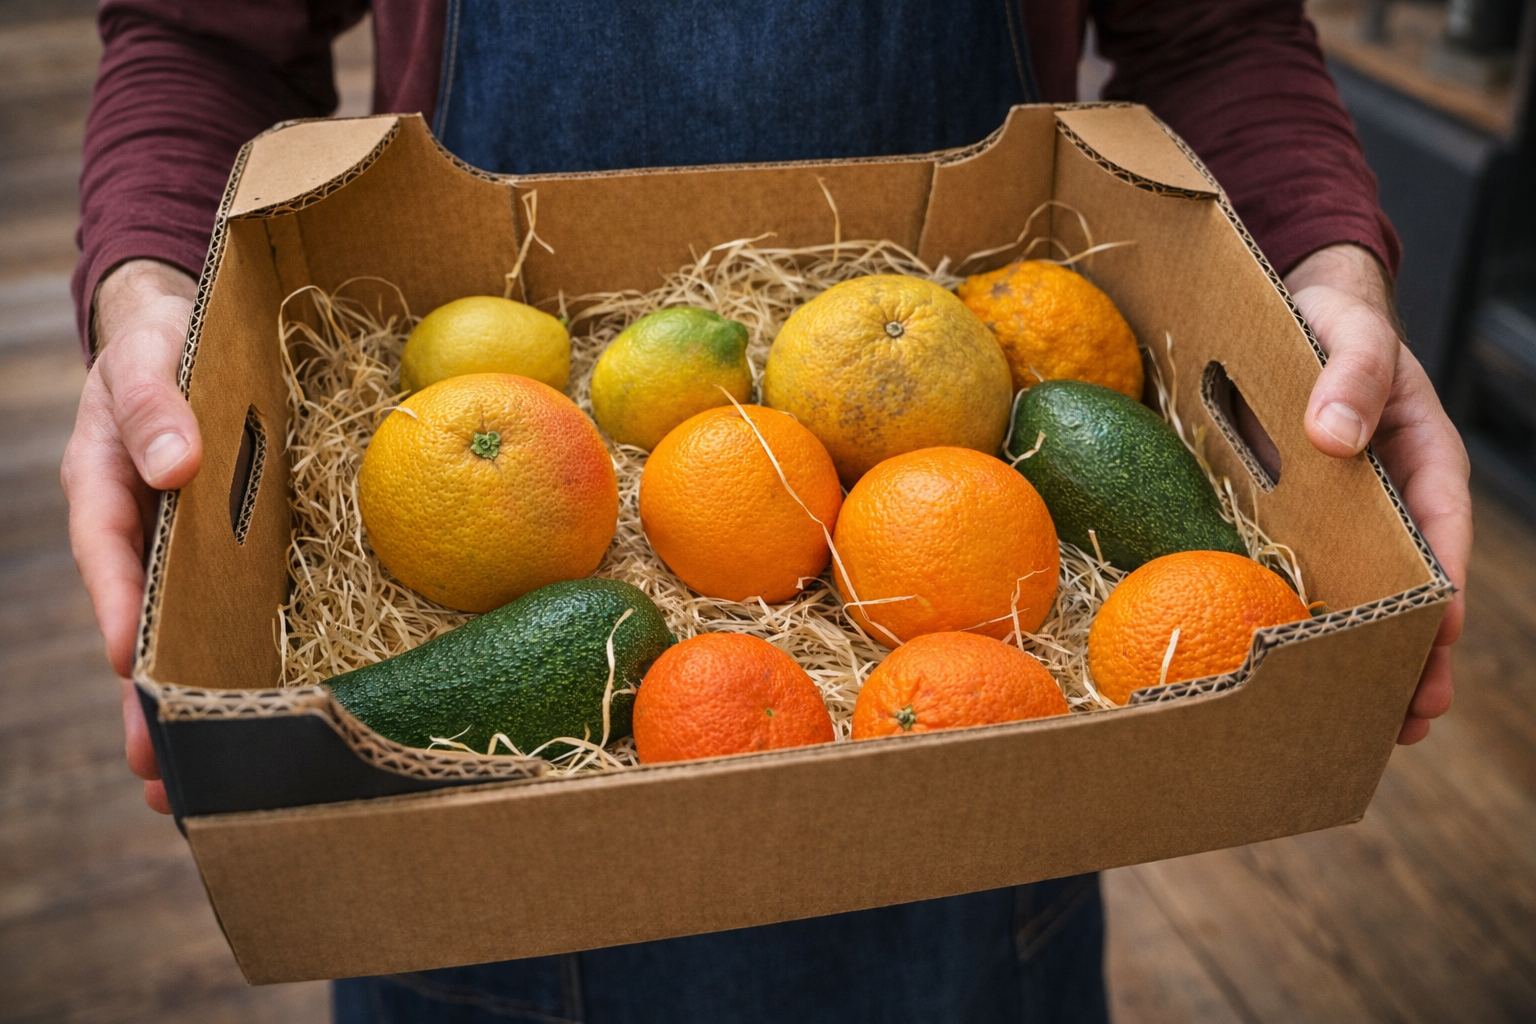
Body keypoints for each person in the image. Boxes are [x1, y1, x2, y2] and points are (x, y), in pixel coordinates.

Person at [62, 1, 1473, 1021]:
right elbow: (202, 35)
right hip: (474, 879)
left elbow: (1219, 31)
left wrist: (1321, 276)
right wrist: (157, 301)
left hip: (974, 822)